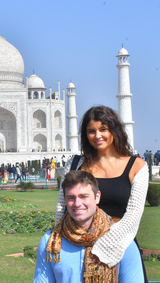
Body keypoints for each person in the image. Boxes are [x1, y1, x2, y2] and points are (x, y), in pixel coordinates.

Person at [55, 106, 148, 279]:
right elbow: (62, 206)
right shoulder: (75, 164)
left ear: (115, 130)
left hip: (119, 245)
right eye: (91, 131)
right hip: (77, 243)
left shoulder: (136, 166)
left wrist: (106, 244)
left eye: (103, 129)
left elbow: (134, 214)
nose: (97, 136)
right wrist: (57, 238)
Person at [34, 170, 144, 283]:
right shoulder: (51, 242)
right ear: (65, 199)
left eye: (83, 196)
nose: (77, 203)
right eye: (71, 197)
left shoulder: (122, 241)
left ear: (97, 197)